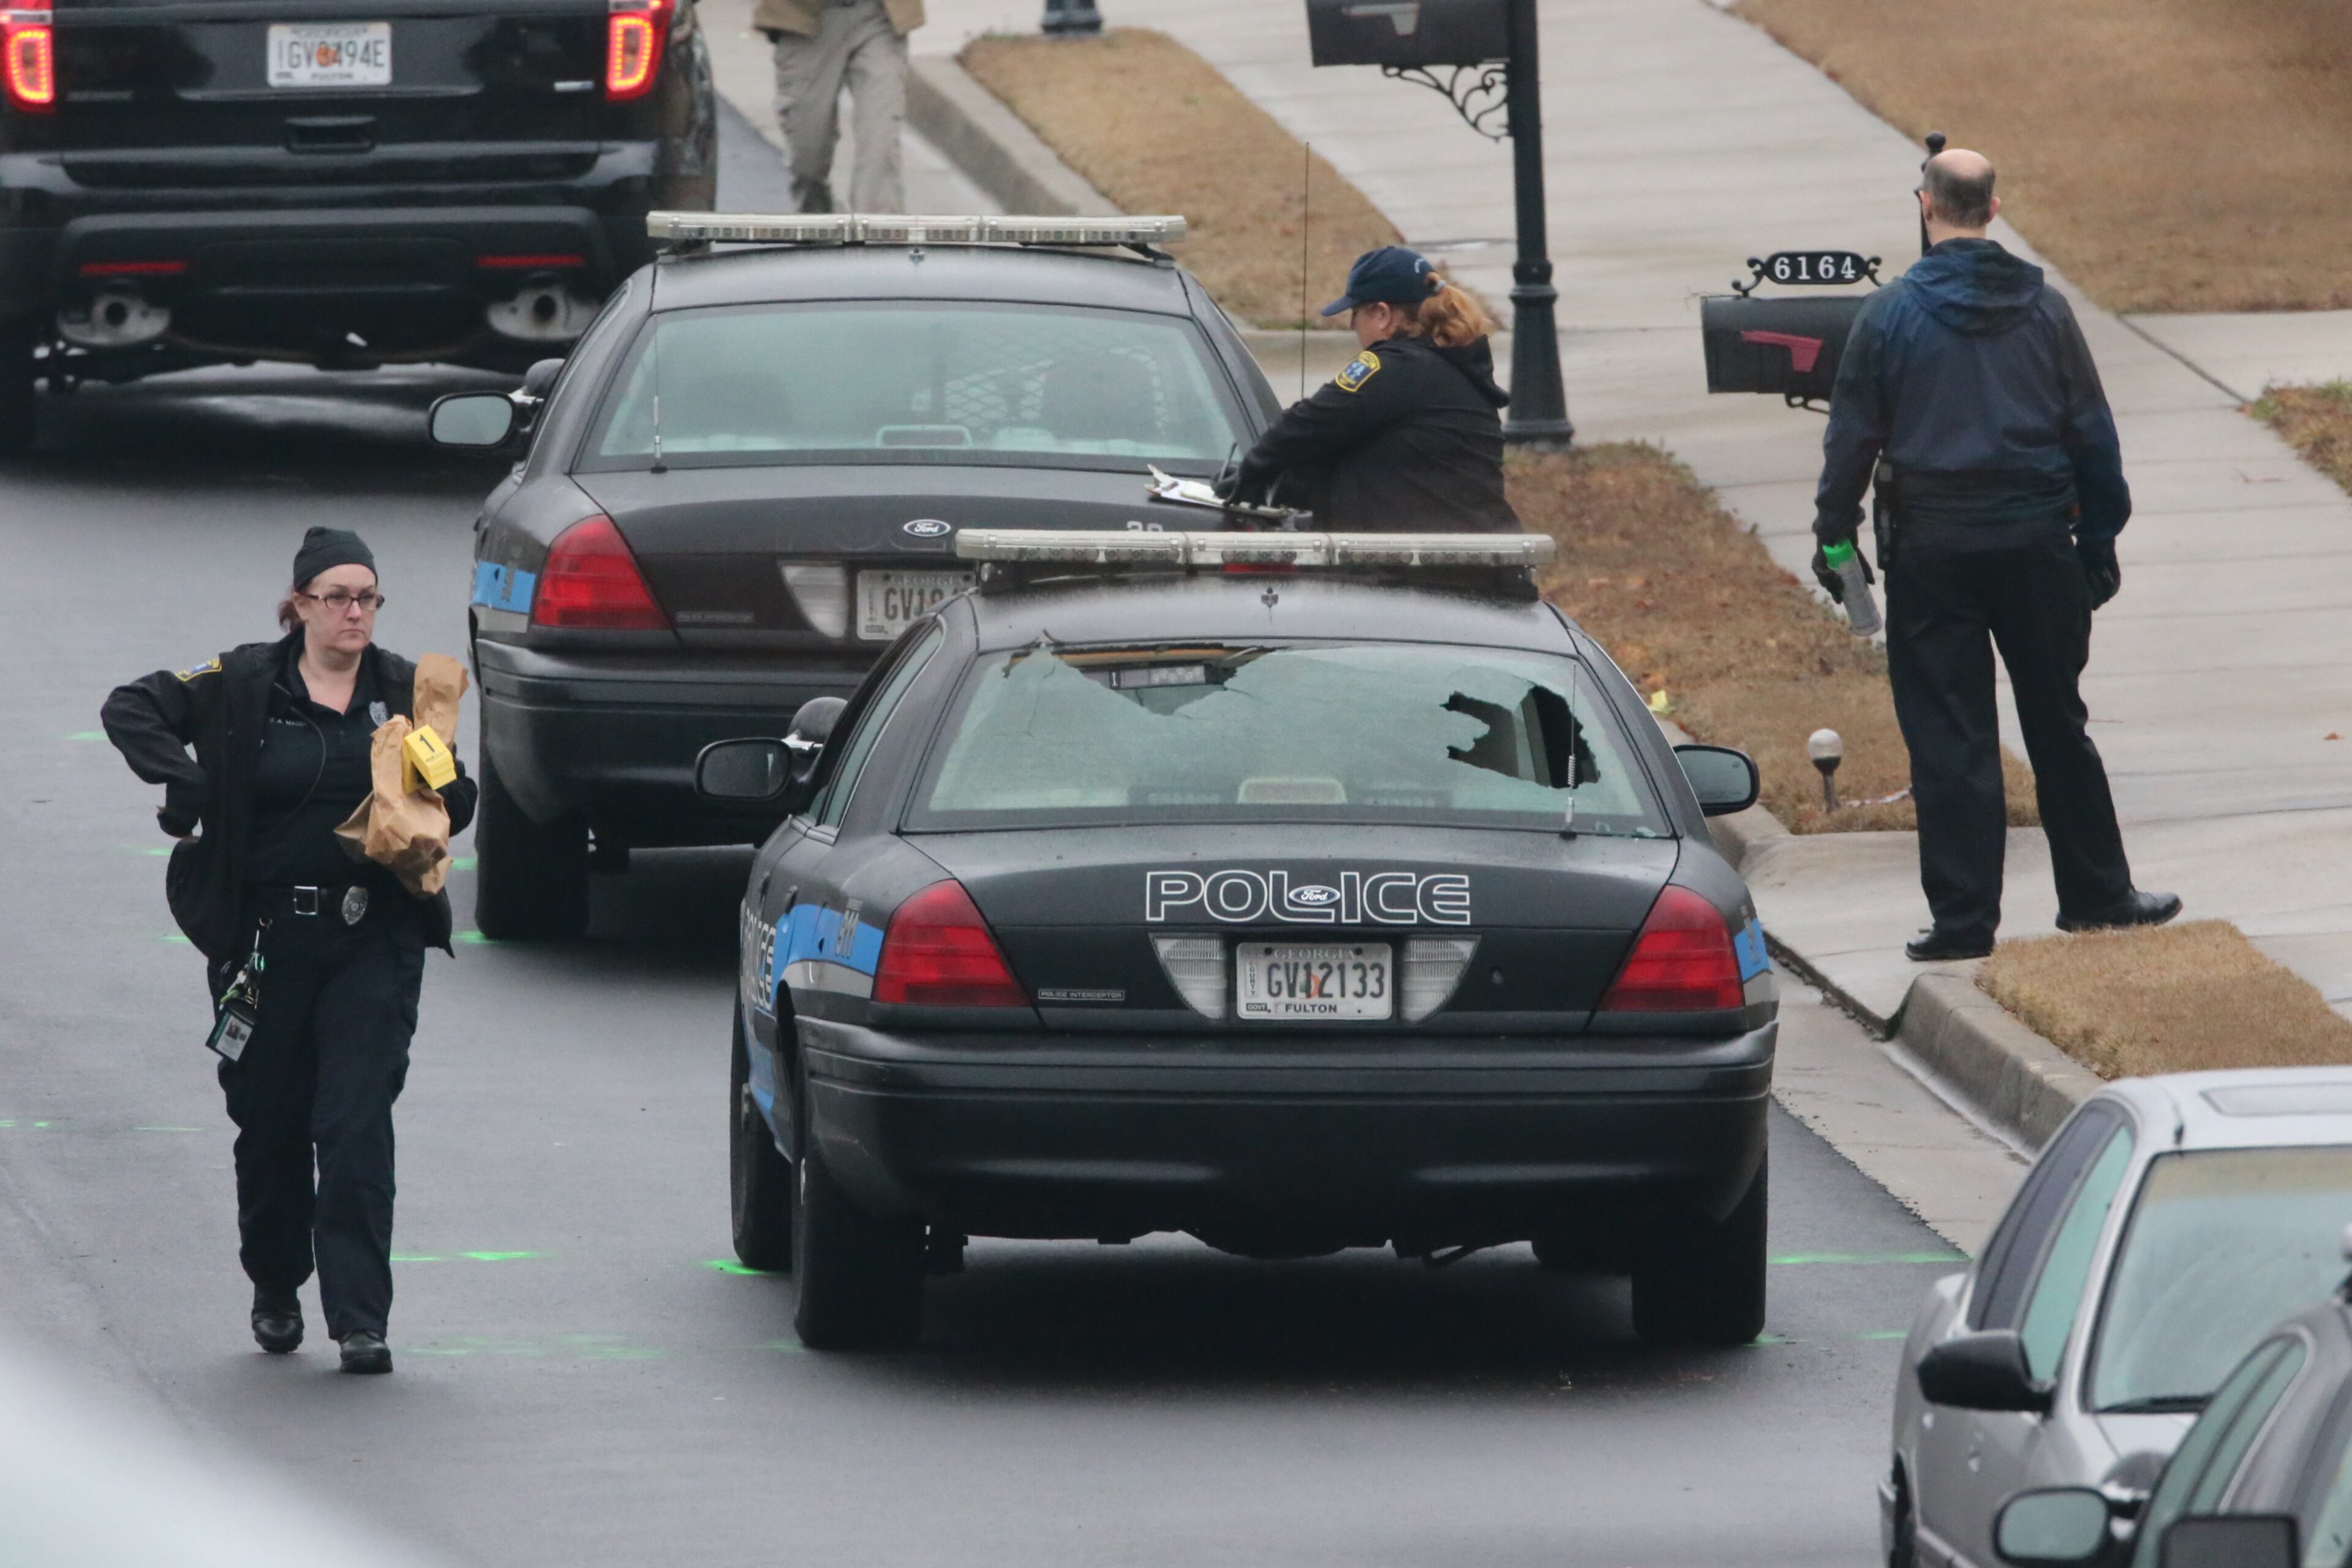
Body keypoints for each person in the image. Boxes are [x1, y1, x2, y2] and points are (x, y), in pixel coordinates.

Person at [100, 528, 477, 1374]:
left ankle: (359, 1319)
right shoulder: (242, 683)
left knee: (354, 1122)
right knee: (270, 1122)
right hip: (266, 940)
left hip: (372, 935)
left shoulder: (404, 691)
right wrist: (184, 778)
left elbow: (455, 793)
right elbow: (132, 705)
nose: (355, 612)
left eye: (369, 598)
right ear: (300, 603)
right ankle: (276, 1283)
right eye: (338, 596)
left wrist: (448, 793)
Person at [1812, 148, 2179, 962]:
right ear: (1994, 207)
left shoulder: (1889, 316)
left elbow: (1852, 440)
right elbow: (2092, 430)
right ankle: (2098, 894)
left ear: (1926, 205)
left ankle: (1962, 921)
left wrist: (1832, 532)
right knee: (2058, 720)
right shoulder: (2045, 311)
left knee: (1951, 734)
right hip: (2037, 539)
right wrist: (2100, 537)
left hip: (1931, 547)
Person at [1226, 244, 1521, 533]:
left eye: (1355, 314)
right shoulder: (1453, 369)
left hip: (1430, 571)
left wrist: (1254, 470)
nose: (1353, 326)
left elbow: (1312, 421)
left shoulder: (1397, 367)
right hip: (1477, 557)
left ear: (1381, 314)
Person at [755, 0, 923, 214]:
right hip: (804, 19)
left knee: (881, 144)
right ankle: (816, 233)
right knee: (808, 157)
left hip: (879, 16)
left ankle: (879, 242)